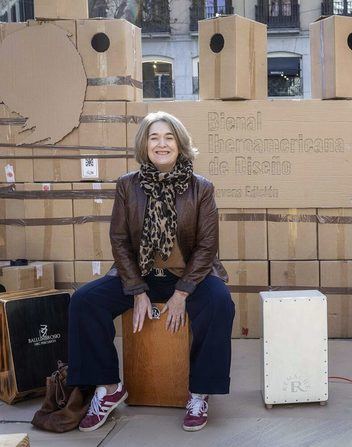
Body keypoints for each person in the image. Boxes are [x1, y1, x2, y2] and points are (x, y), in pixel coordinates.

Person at [67, 111, 235, 432]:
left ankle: (199, 392)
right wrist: (136, 289)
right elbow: (119, 239)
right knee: (85, 301)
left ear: (180, 144)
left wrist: (182, 292)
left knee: (219, 303)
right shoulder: (127, 186)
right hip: (139, 275)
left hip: (188, 275)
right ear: (144, 145)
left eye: (169, 137)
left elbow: (206, 246)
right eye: (154, 137)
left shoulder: (202, 189)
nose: (161, 144)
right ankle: (109, 387)